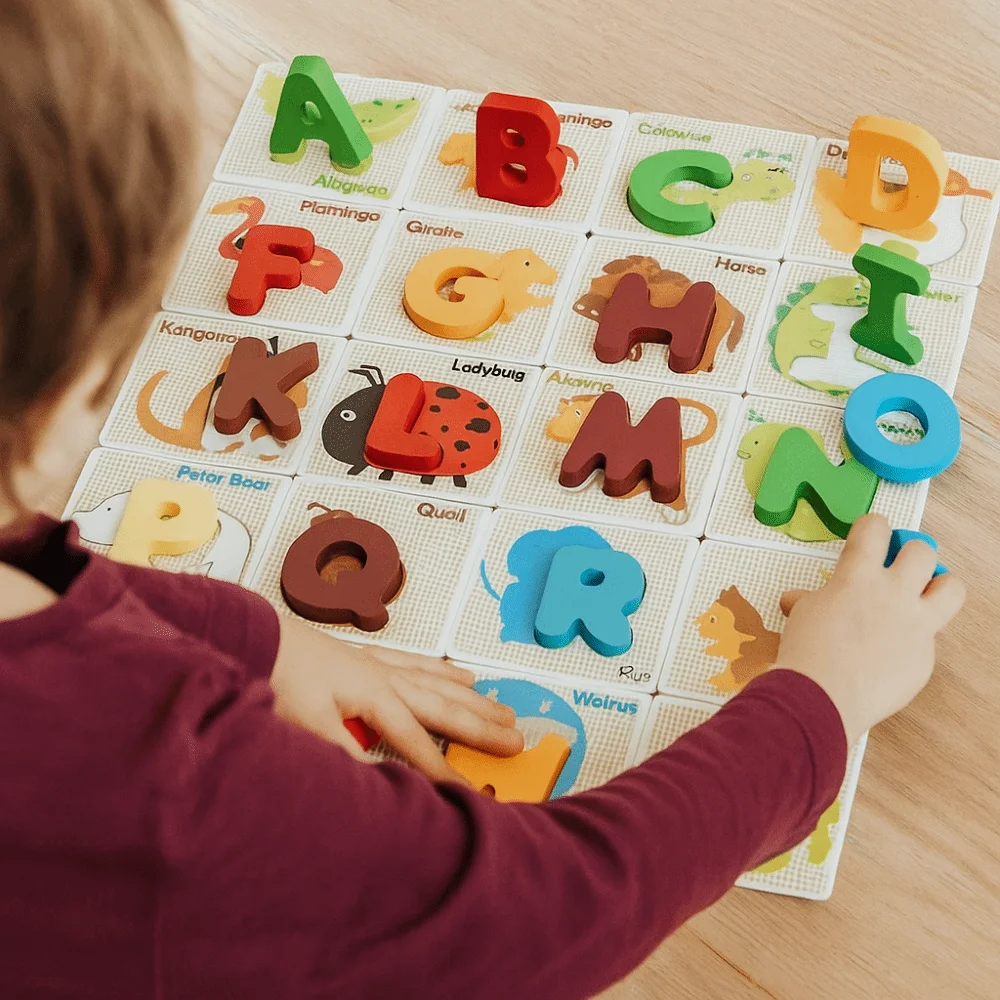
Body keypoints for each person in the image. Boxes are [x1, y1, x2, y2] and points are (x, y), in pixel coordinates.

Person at [0, 1, 965, 997]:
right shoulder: (170, 784)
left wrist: (259, 636)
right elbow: (547, 913)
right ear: (77, 378)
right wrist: (823, 703)